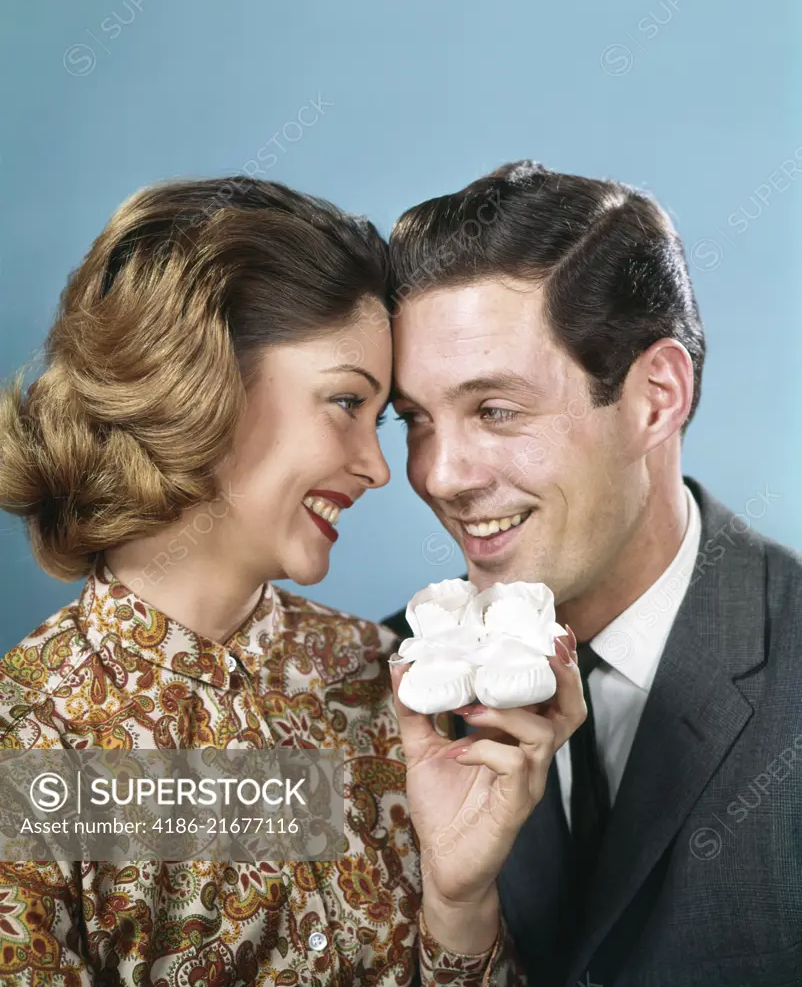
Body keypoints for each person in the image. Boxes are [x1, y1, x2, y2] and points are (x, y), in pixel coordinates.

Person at [0, 176, 585, 985]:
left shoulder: (384, 679)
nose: (381, 469)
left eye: (381, 418)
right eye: (345, 400)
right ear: (194, 378)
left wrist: (459, 899)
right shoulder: (31, 742)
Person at [382, 161, 802, 987]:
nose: (439, 475)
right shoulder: (378, 690)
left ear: (656, 396)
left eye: (496, 410)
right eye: (416, 420)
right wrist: (456, 918)